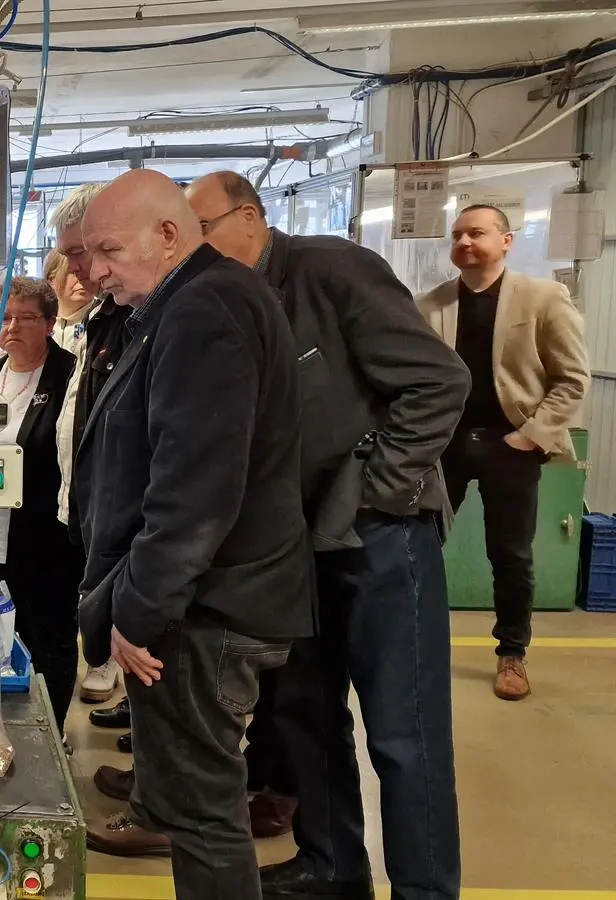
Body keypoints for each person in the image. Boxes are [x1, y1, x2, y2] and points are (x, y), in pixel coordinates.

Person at [188, 171, 471, 899]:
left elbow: (439, 382)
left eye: (201, 228)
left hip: (381, 540)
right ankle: (333, 863)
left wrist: (376, 491)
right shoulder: (226, 302)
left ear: (249, 217)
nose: (192, 246)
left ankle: (425, 890)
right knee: (305, 716)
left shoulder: (331, 271)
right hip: (293, 548)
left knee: (404, 735)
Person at [70, 169, 313, 897]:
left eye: (110, 250)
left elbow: (194, 492)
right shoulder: (192, 301)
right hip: (208, 602)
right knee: (193, 808)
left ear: (169, 235)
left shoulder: (204, 309)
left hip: (205, 613)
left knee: (203, 818)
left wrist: (139, 613)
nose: (95, 271)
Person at [419, 204, 590, 701]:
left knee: (511, 555)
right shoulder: (428, 305)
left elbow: (572, 379)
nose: (464, 242)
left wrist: (531, 435)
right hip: (444, 446)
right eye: (457, 235)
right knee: (418, 546)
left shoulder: (543, 299)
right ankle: (409, 641)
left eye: (476, 233)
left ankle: (512, 654)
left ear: (506, 240)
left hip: (511, 445)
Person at [0, 276, 83, 726]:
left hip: (45, 544)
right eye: (6, 317)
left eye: (26, 318)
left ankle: (52, 732)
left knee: (47, 643)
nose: (13, 327)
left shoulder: (70, 376)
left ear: (50, 323)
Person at [49, 188, 135, 718]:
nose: (76, 268)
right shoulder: (106, 317)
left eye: (79, 252)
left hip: (128, 527)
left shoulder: (147, 319)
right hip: (95, 515)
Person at [45, 247, 93, 348]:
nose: (83, 278)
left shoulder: (102, 320)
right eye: (73, 272)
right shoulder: (40, 323)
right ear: (51, 280)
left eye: (89, 271)